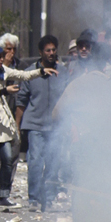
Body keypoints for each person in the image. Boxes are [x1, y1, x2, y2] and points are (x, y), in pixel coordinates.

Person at [0, 43, 56, 210]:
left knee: (7, 158)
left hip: (0, 123)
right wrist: (2, 91)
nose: (2, 60)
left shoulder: (2, 70)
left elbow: (22, 75)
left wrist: (41, 71)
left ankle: (3, 196)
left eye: (2, 57)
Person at [15, 35, 68, 212]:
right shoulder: (31, 73)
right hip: (35, 125)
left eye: (54, 50)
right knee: (35, 161)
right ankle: (34, 199)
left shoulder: (63, 73)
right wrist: (17, 125)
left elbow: (68, 100)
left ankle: (49, 198)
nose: (51, 53)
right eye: (48, 50)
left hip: (56, 126)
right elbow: (21, 101)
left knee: (53, 163)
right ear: (40, 52)